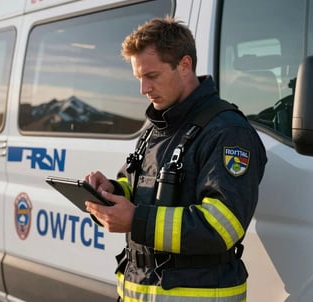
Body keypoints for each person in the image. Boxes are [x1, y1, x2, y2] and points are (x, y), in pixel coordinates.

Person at [85, 16, 267, 301]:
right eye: (139, 78)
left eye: (152, 76)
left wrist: (135, 220)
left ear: (184, 66)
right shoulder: (159, 126)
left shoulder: (228, 132)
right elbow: (138, 186)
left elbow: (223, 226)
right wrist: (111, 191)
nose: (143, 89)